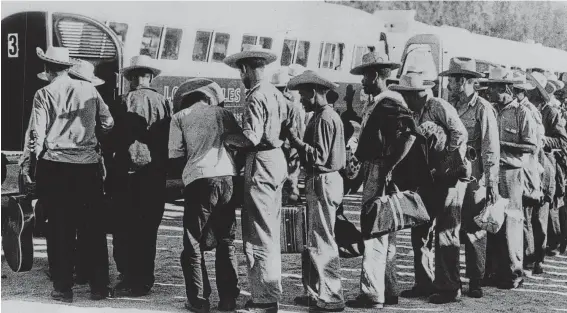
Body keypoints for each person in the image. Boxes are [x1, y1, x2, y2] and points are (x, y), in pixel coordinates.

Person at [26, 47, 114, 302]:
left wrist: (32, 166)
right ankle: (99, 287)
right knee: (93, 228)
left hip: (56, 167)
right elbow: (108, 122)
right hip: (88, 167)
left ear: (47, 68)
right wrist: (91, 136)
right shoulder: (90, 90)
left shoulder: (43, 93)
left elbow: (37, 136)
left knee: (59, 229)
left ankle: (63, 288)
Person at [391, 71, 469, 304]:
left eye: (406, 95)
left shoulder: (438, 106)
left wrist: (445, 162)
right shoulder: (411, 111)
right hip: (425, 178)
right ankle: (424, 282)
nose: (404, 99)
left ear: (417, 94)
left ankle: (449, 287)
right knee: (421, 230)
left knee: (446, 232)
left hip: (448, 177)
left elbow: (460, 133)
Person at [222, 44, 288, 313]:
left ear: (247, 68)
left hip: (260, 161)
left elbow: (251, 136)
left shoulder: (254, 96)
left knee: (258, 231)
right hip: (277, 159)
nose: (241, 75)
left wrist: (226, 139)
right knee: (270, 228)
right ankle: (270, 291)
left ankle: (263, 298)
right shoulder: (275, 92)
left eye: (241, 70)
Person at [169, 79, 241, 312]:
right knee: (226, 241)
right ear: (209, 98)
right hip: (227, 178)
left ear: (185, 100)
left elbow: (176, 153)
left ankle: (199, 300)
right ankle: (228, 299)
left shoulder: (180, 117)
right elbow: (238, 142)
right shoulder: (224, 113)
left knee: (193, 242)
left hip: (199, 180)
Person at [347, 52, 411, 309]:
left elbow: (409, 136)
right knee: (386, 231)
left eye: (365, 75)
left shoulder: (388, 102)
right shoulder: (382, 102)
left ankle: (372, 294)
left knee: (373, 232)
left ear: (375, 75)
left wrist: (389, 167)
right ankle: (389, 289)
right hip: (377, 169)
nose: (362, 81)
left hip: (379, 171)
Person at [438, 57, 500, 298]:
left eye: (452, 80)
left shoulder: (483, 108)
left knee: (475, 229)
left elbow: (490, 147)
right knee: (450, 227)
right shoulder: (448, 104)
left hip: (474, 176)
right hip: (452, 174)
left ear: (462, 81)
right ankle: (451, 280)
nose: (449, 85)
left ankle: (476, 280)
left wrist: (491, 182)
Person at [286, 71, 346, 312]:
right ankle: (315, 292)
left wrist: (295, 140)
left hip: (322, 180)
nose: (301, 100)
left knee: (323, 241)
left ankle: (332, 297)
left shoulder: (323, 118)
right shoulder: (326, 115)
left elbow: (318, 156)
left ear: (313, 93)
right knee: (316, 239)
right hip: (326, 181)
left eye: (303, 95)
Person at [112, 55, 171, 297]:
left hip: (126, 174)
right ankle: (145, 278)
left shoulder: (122, 101)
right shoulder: (163, 101)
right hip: (154, 173)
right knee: (148, 228)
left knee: (124, 225)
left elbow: (112, 137)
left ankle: (127, 274)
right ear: (150, 77)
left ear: (130, 78)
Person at [484, 67, 538, 289]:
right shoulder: (490, 110)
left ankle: (513, 273)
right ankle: (493, 271)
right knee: (491, 221)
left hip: (511, 173)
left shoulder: (522, 113)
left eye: (495, 87)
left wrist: (500, 145)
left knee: (512, 223)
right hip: (492, 173)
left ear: (506, 88)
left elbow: (531, 146)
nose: (490, 91)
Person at [512, 71, 548, 274]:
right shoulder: (525, 108)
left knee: (525, 214)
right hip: (526, 166)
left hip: (527, 166)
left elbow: (535, 145)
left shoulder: (528, 111)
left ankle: (529, 259)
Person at [528, 72, 567, 258]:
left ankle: (540, 256)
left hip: (545, 165)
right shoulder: (525, 109)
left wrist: (543, 140)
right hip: (528, 166)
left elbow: (562, 141)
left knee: (542, 212)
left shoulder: (550, 112)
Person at [270, 66, 305, 205]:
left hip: (272, 155)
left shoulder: (267, 104)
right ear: (286, 88)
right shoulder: (292, 107)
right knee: (291, 189)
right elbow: (298, 135)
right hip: (289, 154)